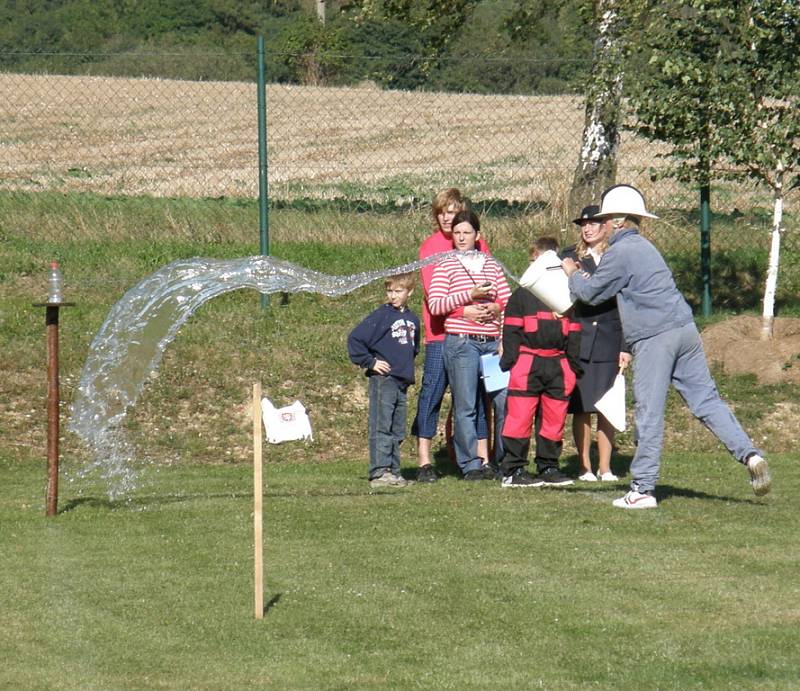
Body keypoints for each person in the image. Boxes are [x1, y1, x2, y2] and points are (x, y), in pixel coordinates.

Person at [562, 184, 772, 509]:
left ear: (616, 221)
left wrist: (572, 273)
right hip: (684, 329)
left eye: (604, 219)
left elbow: (591, 294)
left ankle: (643, 489)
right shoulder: (645, 247)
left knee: (649, 411)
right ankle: (751, 455)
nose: (599, 224)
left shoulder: (621, 252)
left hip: (655, 337)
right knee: (706, 400)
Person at [412, 188, 498, 482]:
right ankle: (424, 459)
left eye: (452, 211)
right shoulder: (430, 248)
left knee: (478, 399)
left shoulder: (478, 245)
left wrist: (492, 312)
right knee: (433, 393)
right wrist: (463, 313)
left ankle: (483, 457)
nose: (448, 219)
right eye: (442, 213)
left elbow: (490, 286)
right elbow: (434, 295)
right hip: (441, 335)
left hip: (479, 335)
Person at [428, 209, 511, 480]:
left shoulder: (492, 265)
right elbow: (436, 304)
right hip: (463, 344)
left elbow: (508, 303)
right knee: (466, 405)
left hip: (492, 344)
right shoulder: (445, 264)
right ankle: (470, 464)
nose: (461, 238)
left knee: (503, 401)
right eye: (457, 233)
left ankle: (505, 461)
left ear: (478, 235)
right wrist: (469, 298)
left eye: (467, 233)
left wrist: (497, 314)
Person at [499, 237, 583, 487]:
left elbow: (575, 332)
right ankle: (513, 470)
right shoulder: (521, 296)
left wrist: (572, 365)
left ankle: (548, 467)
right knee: (519, 418)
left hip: (558, 365)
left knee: (554, 419)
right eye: (535, 259)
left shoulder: (569, 295)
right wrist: (510, 361)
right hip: (527, 363)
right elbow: (511, 331)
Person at [561, 205, 631, 482]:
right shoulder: (570, 257)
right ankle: (584, 466)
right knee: (581, 407)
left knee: (607, 406)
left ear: (606, 226)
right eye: (583, 224)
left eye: (593, 223)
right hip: (580, 339)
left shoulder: (619, 257)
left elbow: (627, 304)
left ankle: (605, 467)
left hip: (610, 339)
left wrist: (626, 346)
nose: (587, 228)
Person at [348, 273, 420, 488]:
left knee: (397, 429)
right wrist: (370, 363)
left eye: (398, 291)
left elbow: (414, 348)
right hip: (384, 379)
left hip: (402, 380)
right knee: (382, 425)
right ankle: (380, 471)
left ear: (410, 292)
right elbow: (355, 339)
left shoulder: (413, 319)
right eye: (390, 291)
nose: (393, 296)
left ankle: (394, 471)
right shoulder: (381, 315)